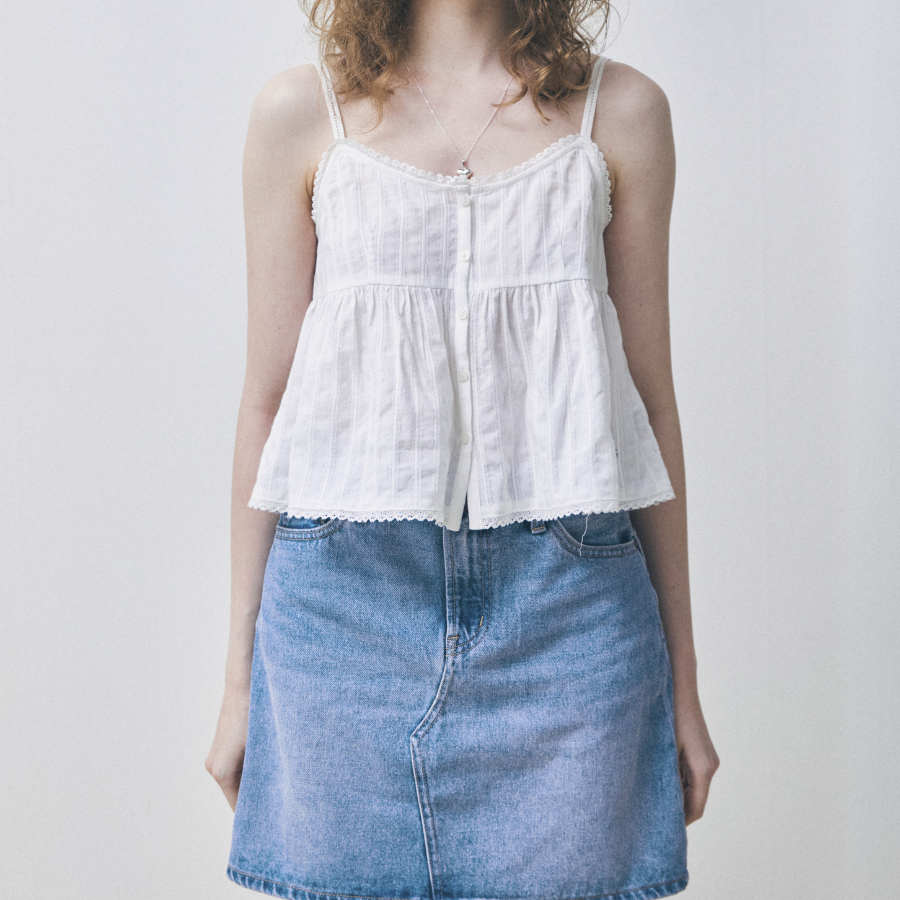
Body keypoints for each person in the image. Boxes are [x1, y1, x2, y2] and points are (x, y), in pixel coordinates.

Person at [206, 0, 719, 897]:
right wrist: (238, 686)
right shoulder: (302, 114)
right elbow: (267, 402)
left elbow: (649, 404)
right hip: (343, 614)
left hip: (568, 610)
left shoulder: (623, 114)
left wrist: (684, 680)